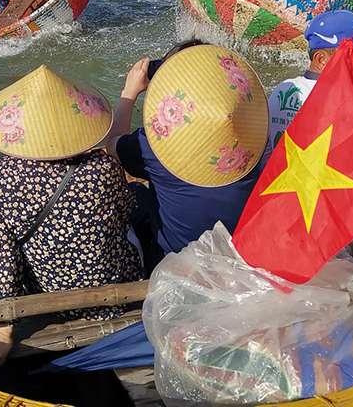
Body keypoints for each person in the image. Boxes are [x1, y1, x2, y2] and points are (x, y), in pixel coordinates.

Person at [0, 65, 143, 369]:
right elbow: (126, 214)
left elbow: (2, 257)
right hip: (115, 297)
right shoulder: (103, 169)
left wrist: (1, 328)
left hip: (50, 297)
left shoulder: (2, 177)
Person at [106, 42, 267, 270]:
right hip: (239, 258)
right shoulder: (254, 132)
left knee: (136, 194)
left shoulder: (153, 144)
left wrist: (129, 94)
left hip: (177, 260)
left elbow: (112, 148)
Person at [265, 10, 353, 195]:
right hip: (343, 220)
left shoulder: (281, 92)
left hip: (285, 208)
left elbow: (264, 162)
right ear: (321, 59)